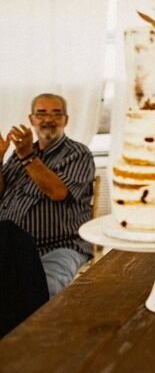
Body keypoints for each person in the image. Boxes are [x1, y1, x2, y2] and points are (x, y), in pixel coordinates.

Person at [0, 94, 94, 297]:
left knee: (41, 296)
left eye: (56, 114)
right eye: (41, 114)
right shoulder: (18, 154)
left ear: (66, 120)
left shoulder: (78, 153)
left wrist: (27, 157)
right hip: (9, 246)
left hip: (56, 247)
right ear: (31, 119)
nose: (49, 119)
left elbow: (58, 192)